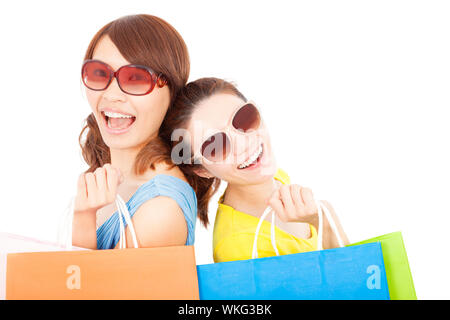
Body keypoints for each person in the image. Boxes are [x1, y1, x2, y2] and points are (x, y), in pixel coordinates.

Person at [160, 77, 350, 262]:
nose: (244, 143)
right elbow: (355, 284)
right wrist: (324, 220)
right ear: (202, 170)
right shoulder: (238, 248)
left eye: (244, 118)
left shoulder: (272, 176)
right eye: (216, 145)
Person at [72, 14, 196, 250]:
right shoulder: (109, 175)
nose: (112, 95)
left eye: (137, 78)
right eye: (99, 73)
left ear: (173, 92)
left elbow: (85, 286)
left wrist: (83, 218)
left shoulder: (161, 208)